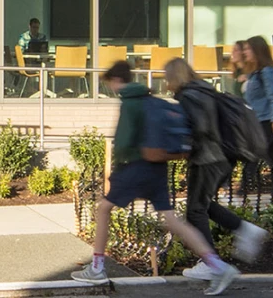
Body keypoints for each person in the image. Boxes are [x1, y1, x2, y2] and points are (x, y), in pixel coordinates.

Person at [77, 59, 239, 294]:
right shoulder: (153, 100)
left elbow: (123, 143)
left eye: (110, 83)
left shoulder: (129, 102)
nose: (110, 88)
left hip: (136, 167)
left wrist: (119, 170)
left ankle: (97, 268)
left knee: (103, 209)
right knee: (173, 220)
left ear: (115, 80)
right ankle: (217, 266)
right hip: (158, 168)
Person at [164, 58, 269, 265]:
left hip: (207, 158)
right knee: (203, 205)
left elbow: (201, 128)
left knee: (195, 211)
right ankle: (246, 230)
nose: (166, 82)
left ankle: (211, 264)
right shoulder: (204, 90)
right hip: (222, 157)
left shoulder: (190, 96)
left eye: (167, 77)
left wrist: (183, 145)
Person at [230, 39, 273, 190]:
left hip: (265, 121)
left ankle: (243, 190)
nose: (244, 52)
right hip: (257, 120)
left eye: (248, 49)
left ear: (257, 51)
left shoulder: (266, 71)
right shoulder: (254, 73)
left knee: (252, 155)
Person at [16, 18, 54, 97]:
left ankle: (43, 91)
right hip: (28, 62)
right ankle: (34, 91)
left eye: (37, 28)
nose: (35, 30)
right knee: (39, 68)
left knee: (47, 67)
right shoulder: (23, 37)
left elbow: (46, 49)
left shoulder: (42, 37)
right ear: (29, 27)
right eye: (33, 27)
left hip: (40, 61)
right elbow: (21, 51)